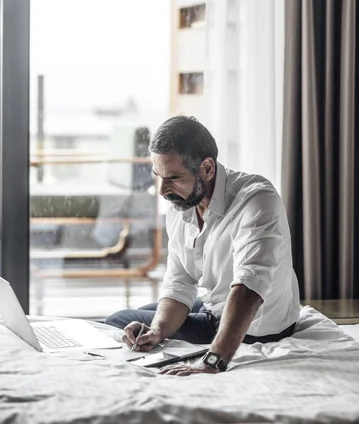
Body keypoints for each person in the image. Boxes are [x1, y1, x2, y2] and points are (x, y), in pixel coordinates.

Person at [105, 116, 300, 376]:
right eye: (158, 176)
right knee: (141, 323)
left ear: (207, 168)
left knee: (117, 321)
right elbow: (180, 282)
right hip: (213, 302)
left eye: (173, 177)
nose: (163, 190)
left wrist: (212, 363)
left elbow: (248, 290)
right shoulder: (182, 204)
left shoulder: (256, 200)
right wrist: (157, 332)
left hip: (254, 326)